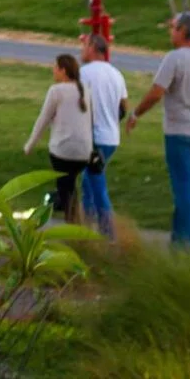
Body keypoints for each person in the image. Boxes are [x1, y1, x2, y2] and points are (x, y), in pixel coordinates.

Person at [125, 10, 190, 250]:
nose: (170, 32)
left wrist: (136, 113)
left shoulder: (174, 58)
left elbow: (157, 92)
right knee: (188, 185)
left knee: (184, 190)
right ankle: (178, 241)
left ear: (183, 31)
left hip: (179, 129)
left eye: (173, 27)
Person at [23, 53, 97, 221]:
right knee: (70, 184)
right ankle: (76, 220)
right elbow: (91, 121)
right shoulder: (86, 89)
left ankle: (72, 225)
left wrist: (30, 145)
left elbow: (43, 120)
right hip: (84, 152)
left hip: (62, 151)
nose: (53, 71)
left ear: (63, 70)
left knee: (65, 188)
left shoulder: (56, 91)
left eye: (55, 68)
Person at [75, 33, 127, 240]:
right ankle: (87, 231)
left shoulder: (84, 73)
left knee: (96, 186)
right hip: (111, 138)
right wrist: (110, 121)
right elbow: (123, 107)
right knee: (89, 184)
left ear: (93, 48)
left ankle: (107, 235)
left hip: (93, 139)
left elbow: (76, 104)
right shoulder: (116, 74)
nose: (81, 50)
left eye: (84, 46)